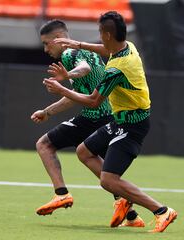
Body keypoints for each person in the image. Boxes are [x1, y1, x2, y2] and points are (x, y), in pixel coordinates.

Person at [44, 11, 177, 232]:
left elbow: (93, 101)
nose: (99, 36)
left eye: (100, 32)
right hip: (121, 121)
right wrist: (76, 43)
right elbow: (106, 50)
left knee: (108, 180)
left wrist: (61, 88)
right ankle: (126, 203)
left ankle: (161, 211)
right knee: (84, 151)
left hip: (131, 125)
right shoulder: (127, 47)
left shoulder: (117, 68)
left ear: (106, 34)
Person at [31, 20, 144, 226]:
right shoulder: (84, 52)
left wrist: (67, 76)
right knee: (96, 162)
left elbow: (82, 69)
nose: (46, 49)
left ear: (59, 39)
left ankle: (61, 193)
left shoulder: (69, 54)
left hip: (94, 116)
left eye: (47, 43)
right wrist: (47, 112)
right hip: (106, 115)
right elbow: (75, 95)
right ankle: (131, 215)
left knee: (44, 144)